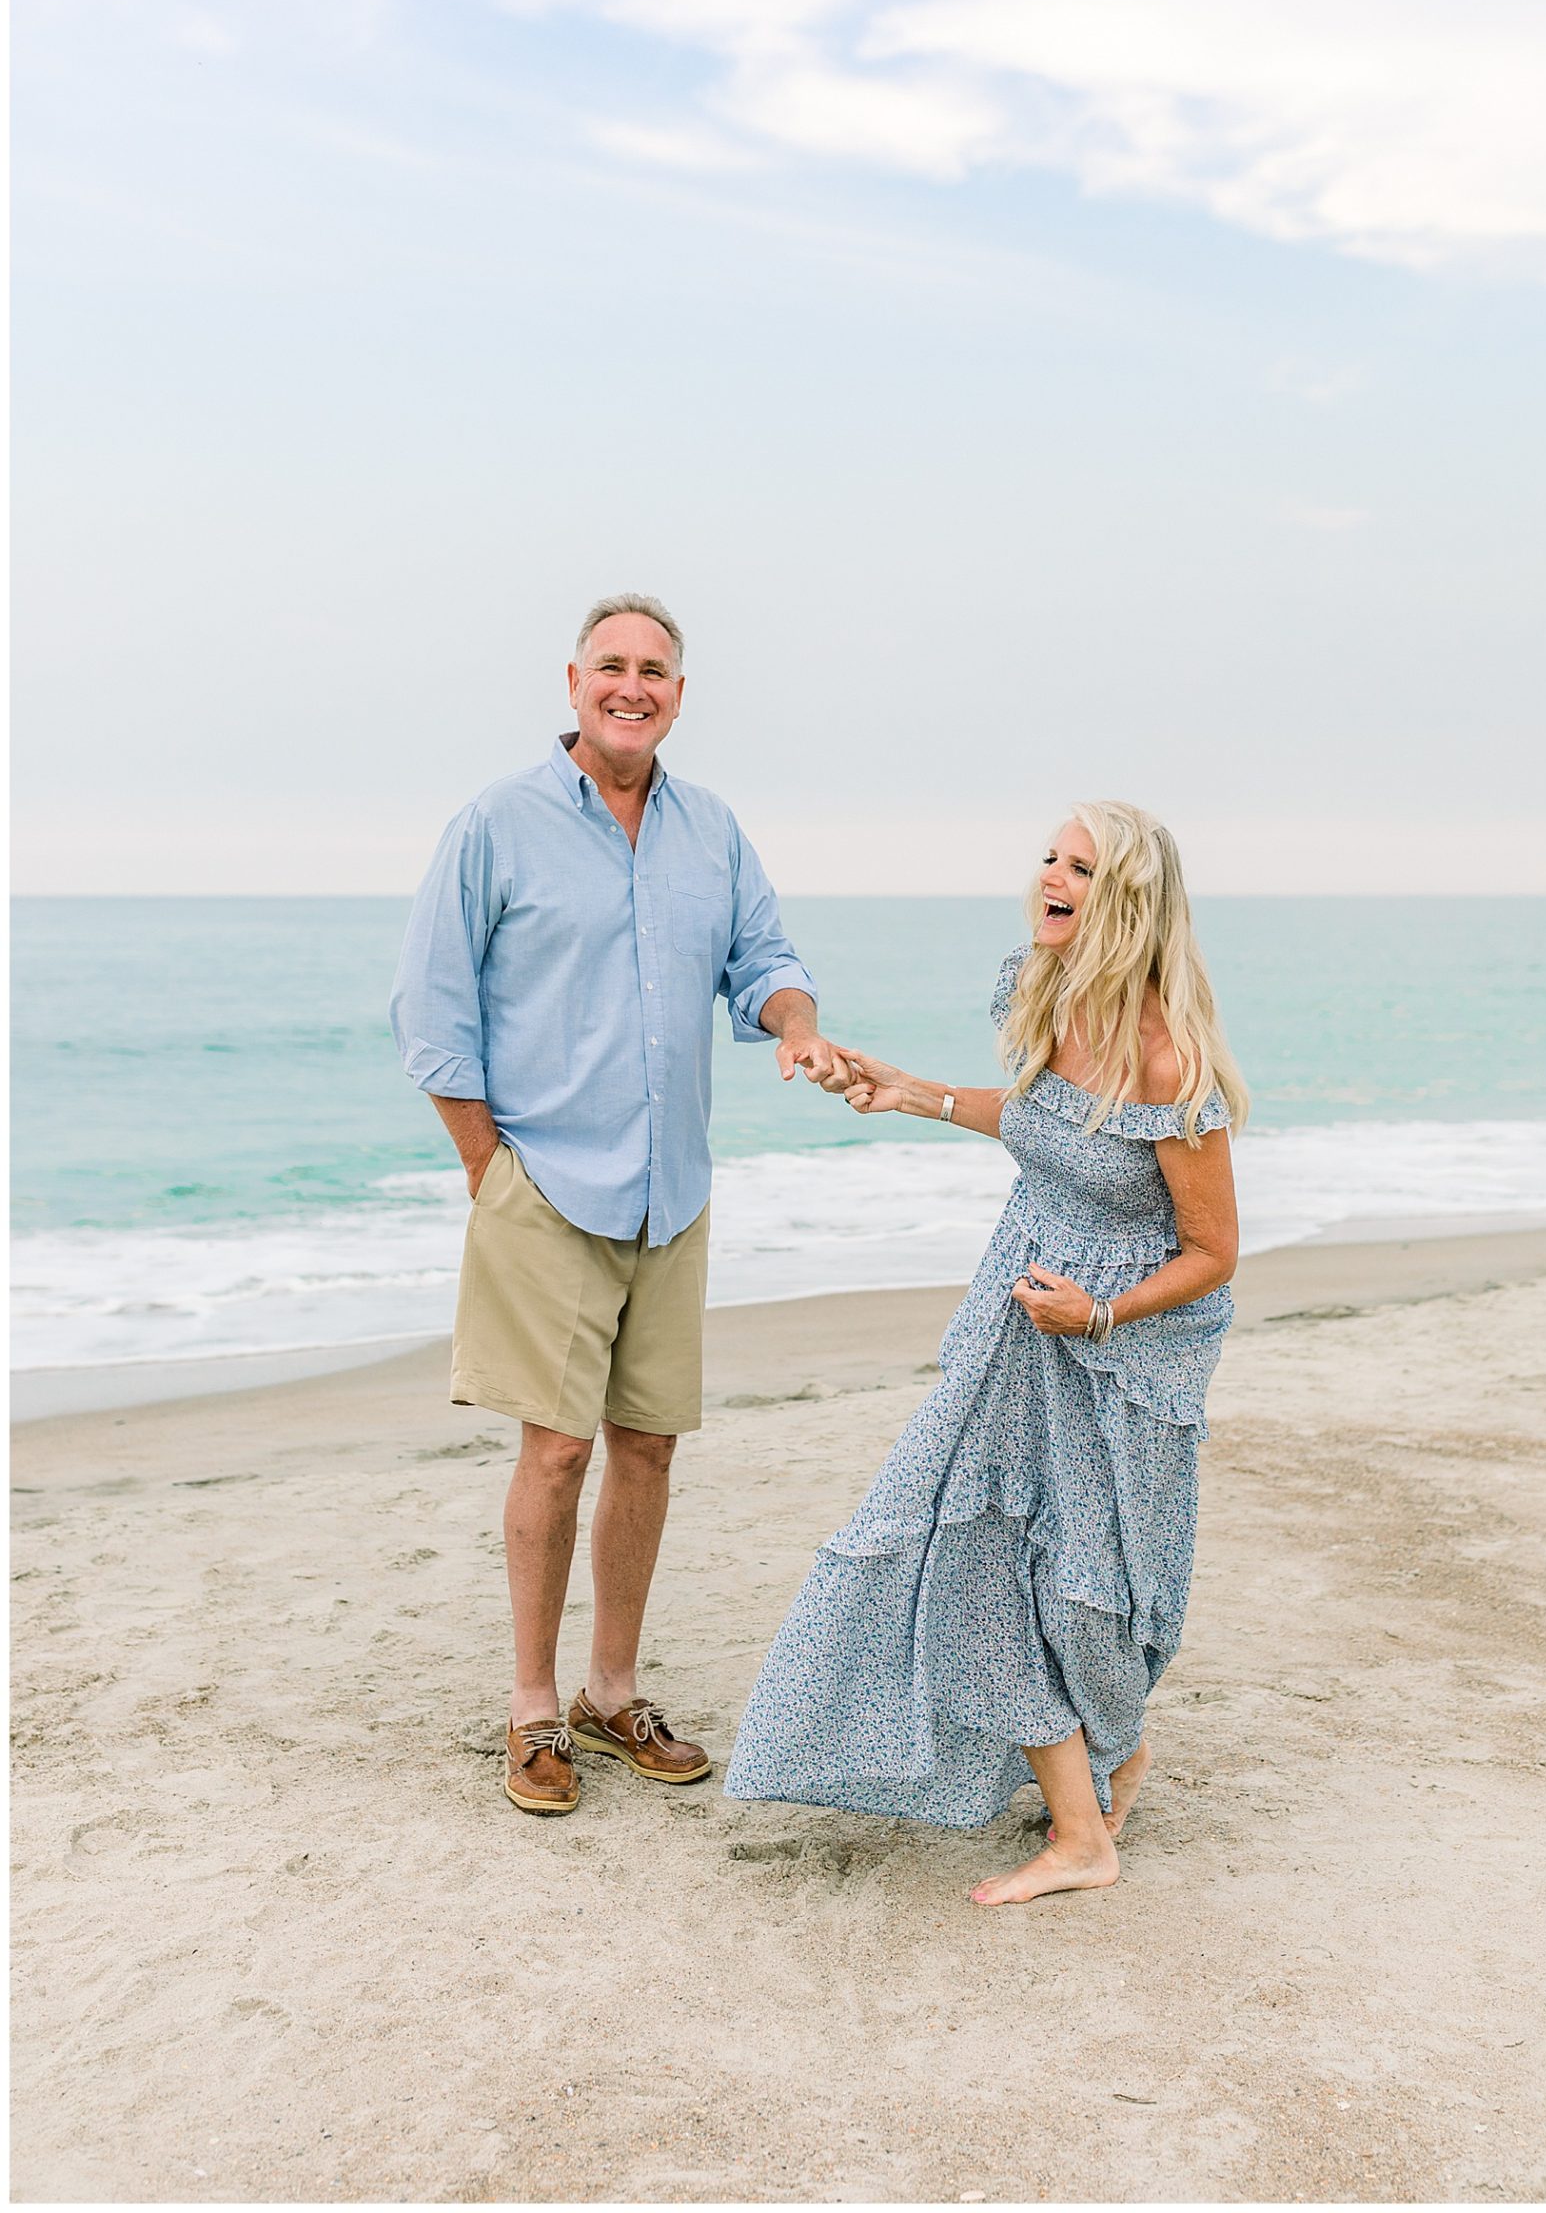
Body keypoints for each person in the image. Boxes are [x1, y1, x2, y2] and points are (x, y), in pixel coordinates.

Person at [724, 800, 1245, 1904]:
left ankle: (1113, 1753)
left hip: (1125, 1359)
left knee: (1091, 1597)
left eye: (1081, 868)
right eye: (1050, 857)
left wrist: (1098, 1315)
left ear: (1129, 901)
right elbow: (1041, 1120)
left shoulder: (1170, 1060)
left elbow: (1213, 1251)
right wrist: (909, 1093)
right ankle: (1083, 1830)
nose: (1050, 877)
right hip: (1016, 1325)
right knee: (968, 1558)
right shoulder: (1040, 989)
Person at [390, 592, 848, 1817]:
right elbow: (432, 1008)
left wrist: (795, 1025)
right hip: (545, 1184)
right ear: (574, 682)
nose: (631, 686)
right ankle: (532, 1707)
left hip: (672, 1192)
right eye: (611, 665)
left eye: (653, 669)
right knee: (555, 1449)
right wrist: (488, 1166)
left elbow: (764, 961)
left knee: (647, 1443)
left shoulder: (713, 830)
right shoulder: (496, 823)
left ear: (678, 696)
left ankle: (612, 1691)